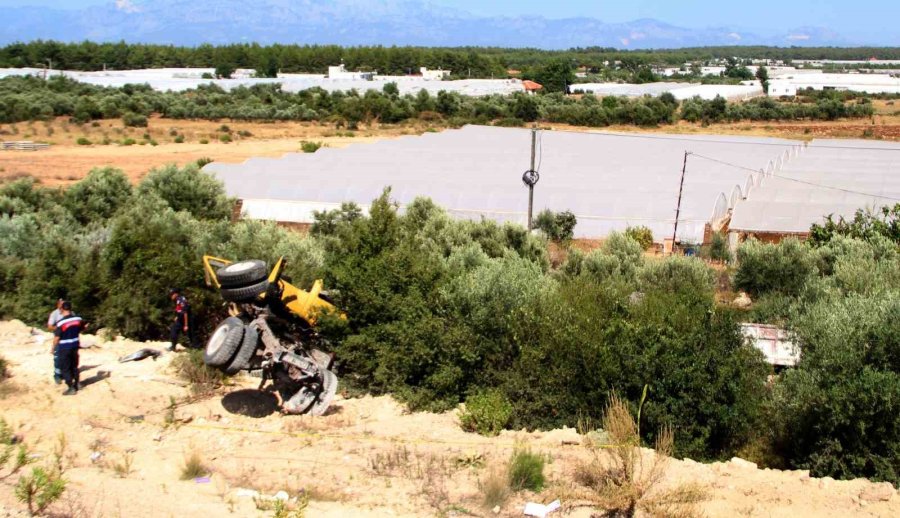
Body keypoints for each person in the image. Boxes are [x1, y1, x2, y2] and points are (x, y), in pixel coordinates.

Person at [52, 301, 83, 396]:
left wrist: (53, 348)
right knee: (74, 366)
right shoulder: (78, 319)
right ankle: (77, 383)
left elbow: (57, 338)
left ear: (62, 309)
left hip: (65, 347)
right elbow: (83, 327)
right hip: (75, 345)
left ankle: (71, 387)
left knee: (65, 368)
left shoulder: (60, 323)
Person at [47, 298, 65, 384]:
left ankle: (66, 373)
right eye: (61, 305)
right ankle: (57, 375)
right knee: (57, 357)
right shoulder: (54, 314)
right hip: (58, 337)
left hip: (68, 338)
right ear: (58, 305)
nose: (62, 307)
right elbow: (50, 326)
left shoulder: (70, 313)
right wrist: (59, 329)